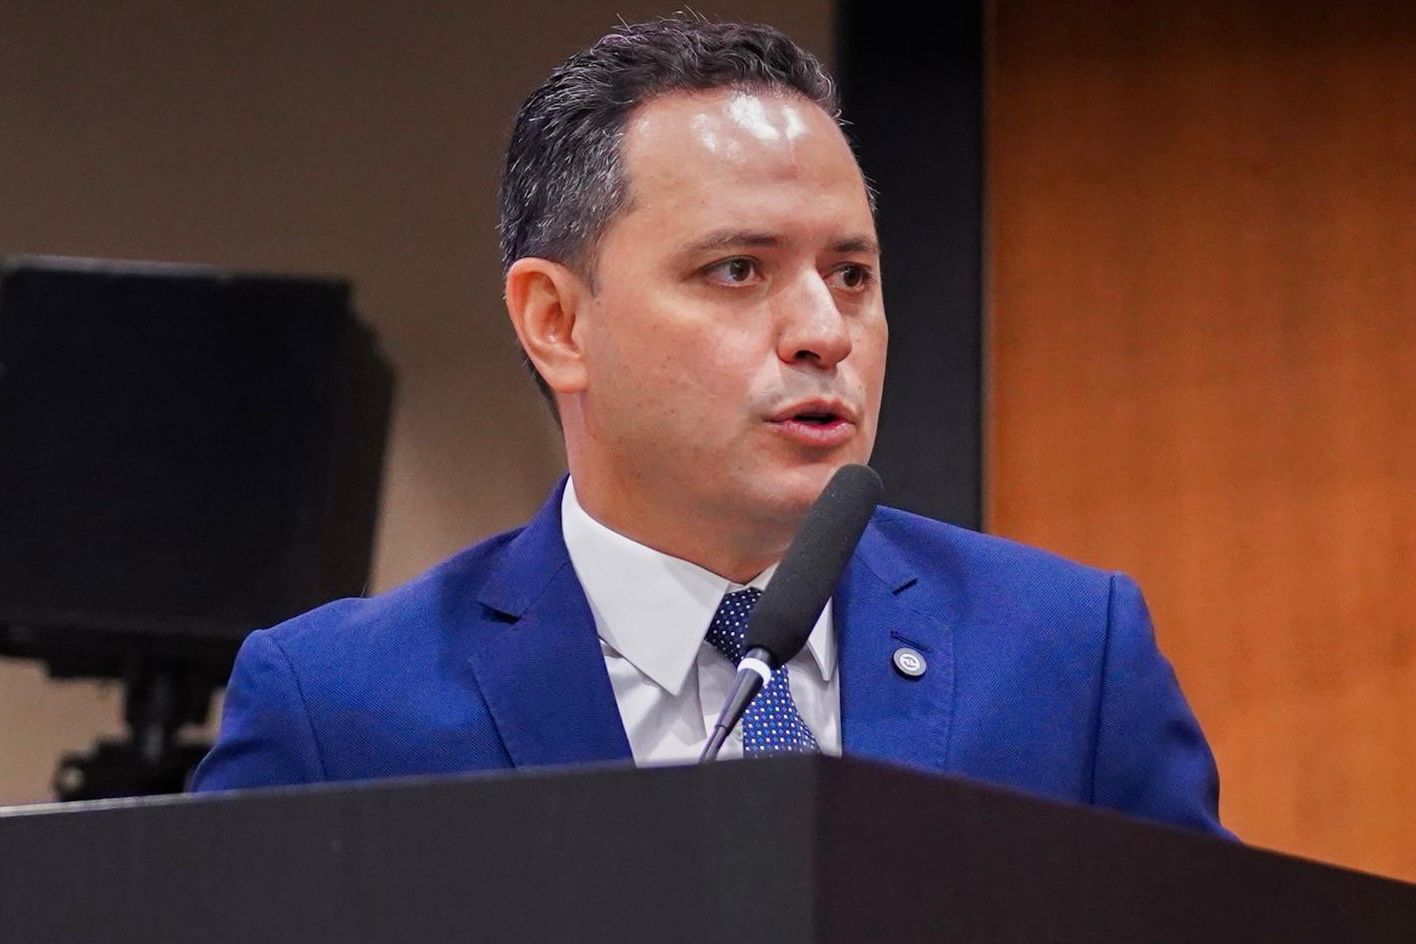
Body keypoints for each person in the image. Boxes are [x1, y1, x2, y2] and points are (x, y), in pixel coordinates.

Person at [192, 17, 1229, 837]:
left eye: (851, 274)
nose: (825, 332)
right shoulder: (342, 710)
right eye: (737, 269)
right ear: (557, 323)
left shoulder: (1068, 657)